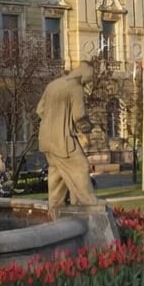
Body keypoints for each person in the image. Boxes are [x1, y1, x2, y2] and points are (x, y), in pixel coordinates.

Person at [34, 62, 101, 210]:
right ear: (84, 73)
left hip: (45, 139)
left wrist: (52, 120)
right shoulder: (76, 88)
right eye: (88, 80)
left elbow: (40, 110)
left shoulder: (52, 85)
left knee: (57, 173)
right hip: (62, 140)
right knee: (81, 167)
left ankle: (55, 207)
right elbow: (79, 116)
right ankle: (90, 205)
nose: (87, 84)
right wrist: (88, 127)